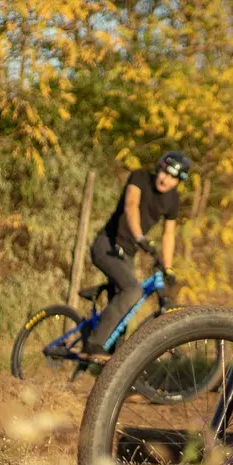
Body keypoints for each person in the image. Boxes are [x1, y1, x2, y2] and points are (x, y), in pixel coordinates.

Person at [77, 151, 188, 357]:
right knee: (133, 290)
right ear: (159, 169)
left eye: (174, 177)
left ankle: (108, 365)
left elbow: (169, 233)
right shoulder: (140, 177)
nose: (166, 179)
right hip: (107, 246)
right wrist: (140, 238)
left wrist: (169, 267)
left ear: (179, 181)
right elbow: (131, 206)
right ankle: (94, 343)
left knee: (125, 312)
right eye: (165, 172)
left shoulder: (172, 200)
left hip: (127, 255)